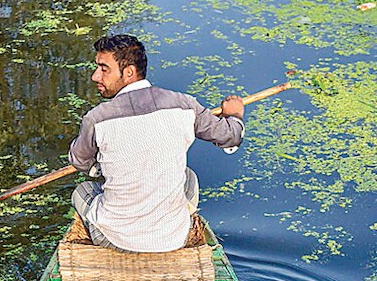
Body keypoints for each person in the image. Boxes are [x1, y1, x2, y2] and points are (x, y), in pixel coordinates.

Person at [68, 34, 245, 253]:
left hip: (114, 239)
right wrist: (234, 115)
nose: (96, 76)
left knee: (82, 190)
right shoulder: (185, 105)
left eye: (104, 69)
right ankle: (169, 228)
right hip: (173, 239)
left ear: (129, 72)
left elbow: (79, 161)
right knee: (189, 177)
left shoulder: (96, 118)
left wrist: (101, 167)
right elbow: (230, 136)